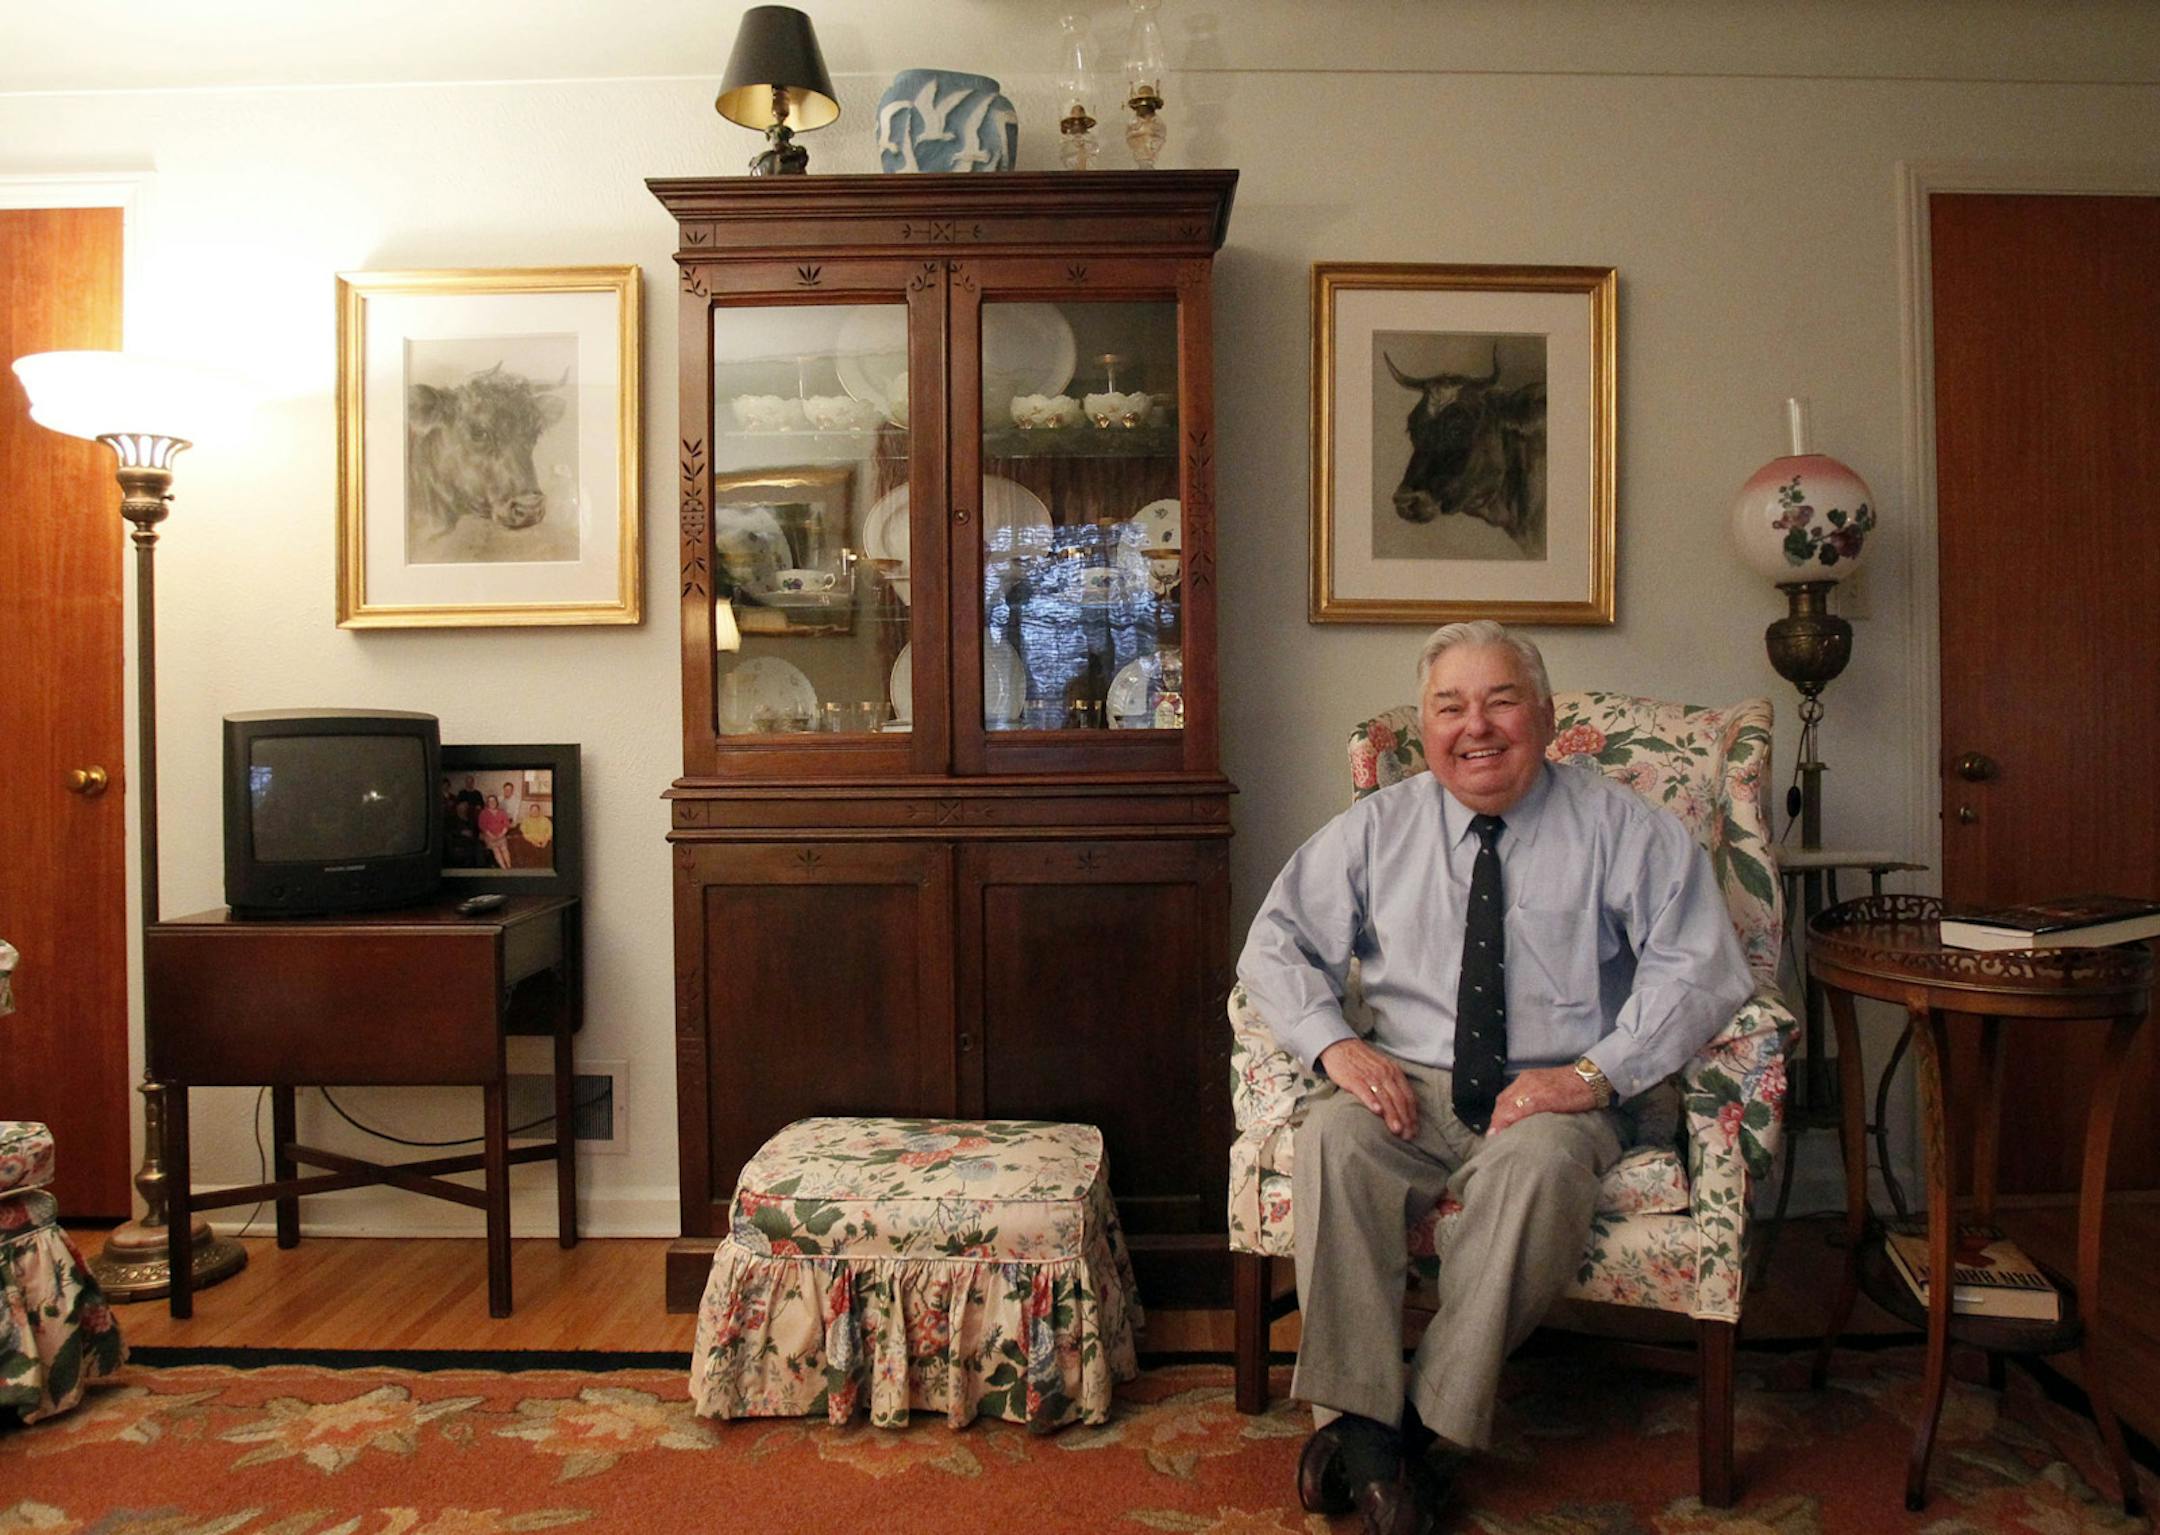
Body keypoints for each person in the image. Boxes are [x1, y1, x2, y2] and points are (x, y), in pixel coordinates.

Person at [1237, 620, 1752, 1534]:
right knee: (1331, 1139)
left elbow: (1702, 967)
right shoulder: (1376, 827)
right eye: (1450, 706)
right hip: (1403, 1084)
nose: (1476, 726)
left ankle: (1389, 1440)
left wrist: (1596, 1073)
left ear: (1546, 717)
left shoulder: (1625, 828)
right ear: (1426, 726)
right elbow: (1274, 945)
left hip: (1557, 1094)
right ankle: (1372, 1435)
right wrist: (1336, 1047)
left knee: (1544, 1169)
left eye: (1501, 700)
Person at [477, 793, 513, 870]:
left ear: (496, 802)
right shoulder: (483, 813)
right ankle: (504, 869)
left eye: (494, 801)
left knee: (504, 849)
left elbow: (506, 824)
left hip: (501, 835)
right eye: (490, 801)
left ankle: (509, 867)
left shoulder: (502, 812)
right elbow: (482, 825)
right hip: (490, 836)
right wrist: (491, 835)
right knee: (496, 850)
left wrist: (501, 834)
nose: (492, 803)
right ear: (487, 803)